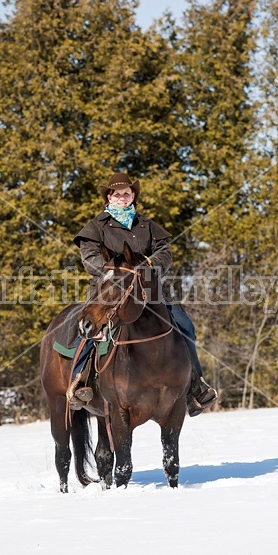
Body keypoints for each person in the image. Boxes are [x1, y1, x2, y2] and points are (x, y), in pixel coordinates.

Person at [71, 172, 217, 417]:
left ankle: (195, 385)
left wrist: (148, 268)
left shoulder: (146, 225)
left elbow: (165, 252)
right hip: (109, 292)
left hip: (150, 292)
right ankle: (80, 381)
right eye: (117, 194)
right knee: (88, 328)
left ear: (133, 196)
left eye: (127, 193)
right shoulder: (96, 226)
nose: (122, 197)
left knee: (185, 326)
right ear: (108, 197)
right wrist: (118, 273)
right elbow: (89, 258)